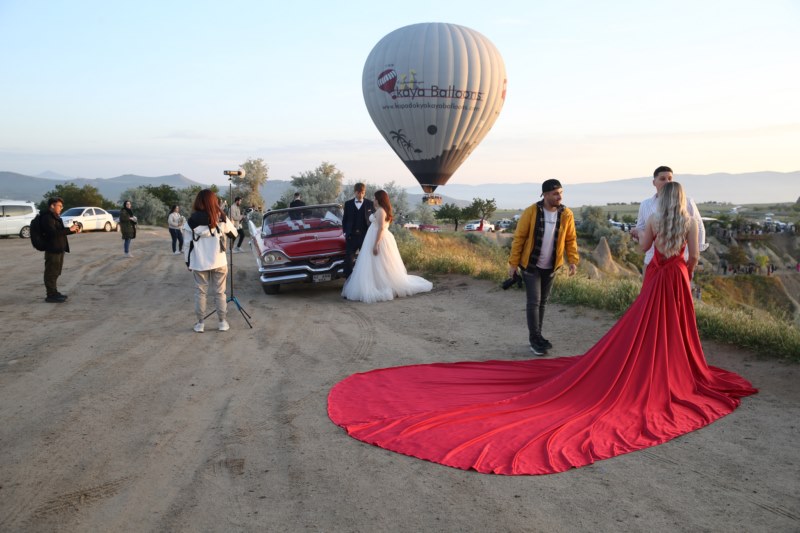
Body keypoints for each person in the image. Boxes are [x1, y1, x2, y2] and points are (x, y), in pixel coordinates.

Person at [328, 181, 757, 476]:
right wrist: (684, 271)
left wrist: (641, 232)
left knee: (644, 328)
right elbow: (693, 258)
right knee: (675, 330)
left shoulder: (655, 223)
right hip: (677, 280)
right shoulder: (689, 223)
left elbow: (645, 247)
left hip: (656, 279)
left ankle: (582, 348)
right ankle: (677, 368)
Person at [507, 179, 579, 355]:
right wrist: (513, 264)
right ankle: (534, 339)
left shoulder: (566, 214)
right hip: (531, 265)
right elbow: (519, 238)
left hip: (551, 266)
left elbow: (570, 239)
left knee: (543, 303)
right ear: (545, 195)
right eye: (555, 193)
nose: (559, 196)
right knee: (534, 302)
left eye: (561, 192)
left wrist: (573, 261)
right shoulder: (531, 212)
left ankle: (538, 336)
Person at [341, 190, 432, 303]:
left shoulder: (381, 211)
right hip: (373, 238)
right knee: (376, 264)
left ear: (379, 199)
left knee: (380, 263)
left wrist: (376, 244)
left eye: (375, 198)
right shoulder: (379, 210)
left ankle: (381, 285)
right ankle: (377, 282)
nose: (373, 200)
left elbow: (381, 228)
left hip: (378, 239)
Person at [631, 166, 706, 280]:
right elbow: (641, 228)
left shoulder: (688, 202)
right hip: (653, 260)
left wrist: (694, 251)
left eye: (670, 178)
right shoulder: (645, 204)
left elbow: (700, 228)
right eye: (663, 179)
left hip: (681, 260)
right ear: (654, 182)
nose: (667, 182)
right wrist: (638, 234)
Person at [184, 189, 238, 333]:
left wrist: (188, 262)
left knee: (200, 293)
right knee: (220, 293)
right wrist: (226, 221)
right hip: (219, 261)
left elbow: (187, 244)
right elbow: (234, 234)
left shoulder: (191, 221)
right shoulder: (221, 217)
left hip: (199, 262)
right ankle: (222, 322)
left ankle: (200, 324)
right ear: (214, 201)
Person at [40, 197, 81, 302]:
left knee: (56, 271)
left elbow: (61, 231)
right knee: (51, 272)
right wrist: (69, 230)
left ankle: (54, 292)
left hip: (59, 248)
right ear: (52, 206)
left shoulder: (56, 217)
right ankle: (50, 295)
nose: (61, 208)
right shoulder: (47, 218)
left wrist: (72, 230)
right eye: (59, 206)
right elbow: (52, 233)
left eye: (62, 206)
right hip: (52, 249)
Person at [341, 183, 375, 278]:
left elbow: (374, 218)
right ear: (355, 192)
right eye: (358, 193)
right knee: (348, 260)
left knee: (366, 259)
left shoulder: (369, 203)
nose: (360, 195)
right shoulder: (348, 204)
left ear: (364, 192)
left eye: (362, 193)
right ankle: (348, 281)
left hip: (365, 236)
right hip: (351, 237)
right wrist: (345, 232)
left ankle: (367, 279)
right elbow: (345, 219)